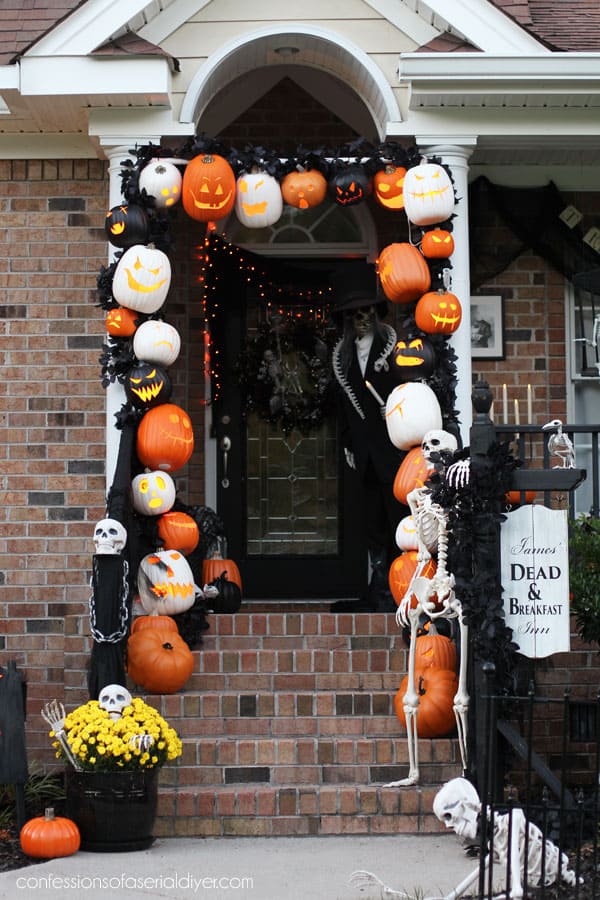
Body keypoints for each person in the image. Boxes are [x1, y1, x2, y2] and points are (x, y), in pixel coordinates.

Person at [330, 264, 409, 612]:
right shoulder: (341, 357)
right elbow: (341, 408)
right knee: (371, 521)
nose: (360, 319)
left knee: (397, 518)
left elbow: (411, 393)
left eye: (365, 312)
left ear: (375, 313)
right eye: (353, 314)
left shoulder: (394, 349)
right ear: (346, 319)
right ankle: (376, 585)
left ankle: (399, 586)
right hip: (361, 456)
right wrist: (347, 443)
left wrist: (393, 410)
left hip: (392, 451)